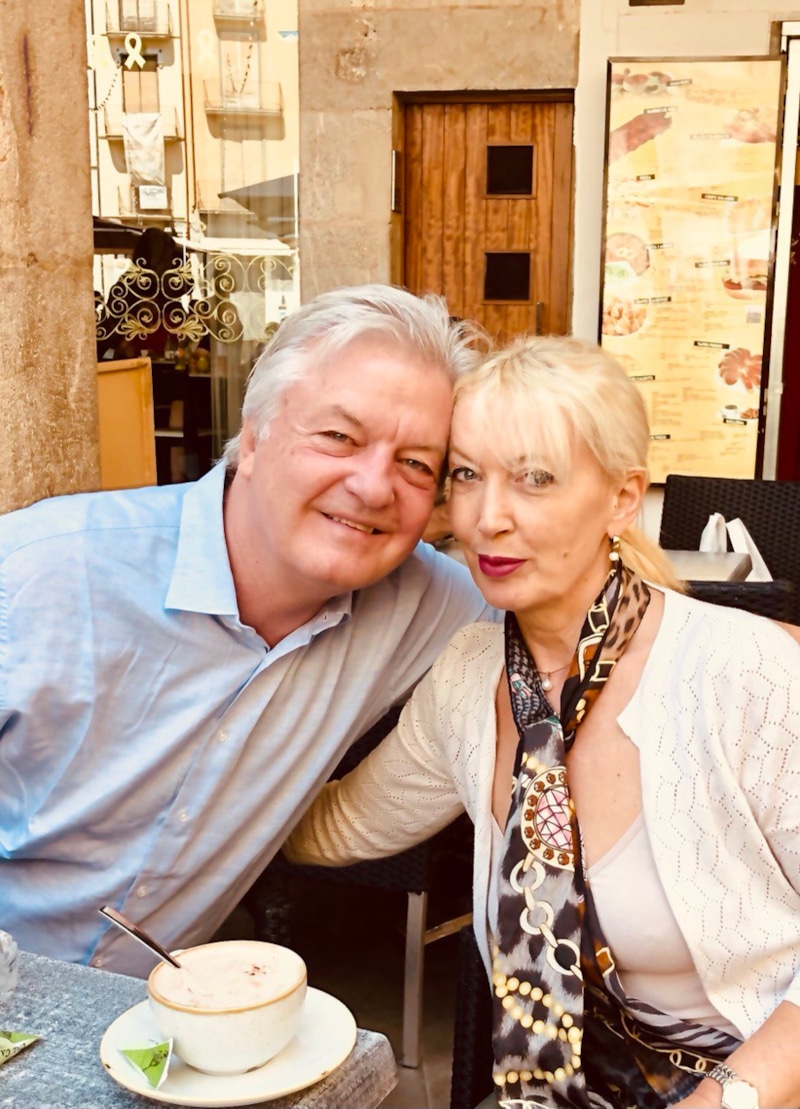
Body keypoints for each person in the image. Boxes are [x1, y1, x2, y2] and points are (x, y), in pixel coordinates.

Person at [285, 335, 800, 1109]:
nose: (487, 518)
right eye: (467, 474)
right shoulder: (470, 677)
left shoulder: (744, 671)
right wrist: (210, 812)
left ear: (623, 498)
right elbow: (340, 826)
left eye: (535, 478)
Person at [0, 284, 493, 977]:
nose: (374, 486)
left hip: (158, 1016)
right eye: (339, 437)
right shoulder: (36, 573)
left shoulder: (428, 602)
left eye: (417, 463)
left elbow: (594, 623)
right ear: (255, 438)